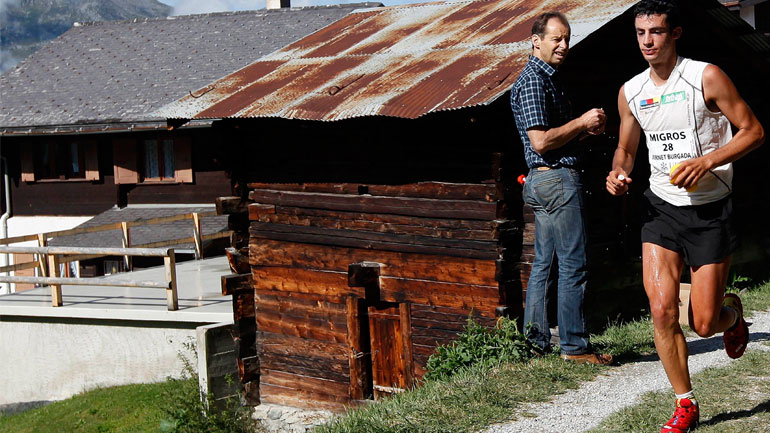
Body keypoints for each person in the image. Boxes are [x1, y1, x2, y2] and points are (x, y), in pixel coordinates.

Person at [605, 1, 765, 432]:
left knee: (703, 323)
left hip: (710, 210)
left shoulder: (704, 77)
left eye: (656, 32)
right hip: (660, 208)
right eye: (640, 33)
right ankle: (685, 402)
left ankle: (731, 314)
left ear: (675, 33)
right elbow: (627, 147)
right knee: (660, 311)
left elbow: (754, 131)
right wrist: (618, 171)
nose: (647, 41)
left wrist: (708, 161)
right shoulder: (631, 91)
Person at [510, 11, 612, 365]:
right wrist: (581, 121)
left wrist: (583, 130)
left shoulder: (543, 78)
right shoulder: (536, 80)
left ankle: (536, 344)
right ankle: (574, 347)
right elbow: (540, 140)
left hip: (541, 180)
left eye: (567, 38)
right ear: (536, 40)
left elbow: (552, 137)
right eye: (556, 38)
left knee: (544, 264)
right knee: (573, 263)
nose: (564, 45)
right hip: (555, 177)